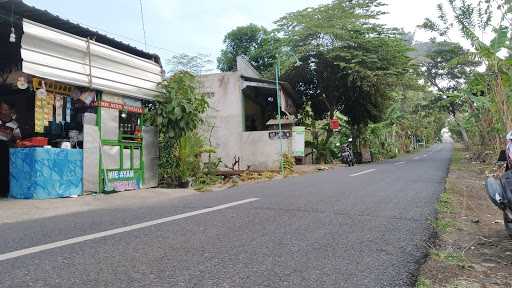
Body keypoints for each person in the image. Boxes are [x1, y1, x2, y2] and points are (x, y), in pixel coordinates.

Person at [0, 99, 21, 197]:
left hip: (5, 149)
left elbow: (18, 139)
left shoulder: (14, 125)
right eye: (1, 109)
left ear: (11, 111)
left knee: (4, 170)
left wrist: (17, 143)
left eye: (5, 109)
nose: (2, 111)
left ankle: (3, 191)